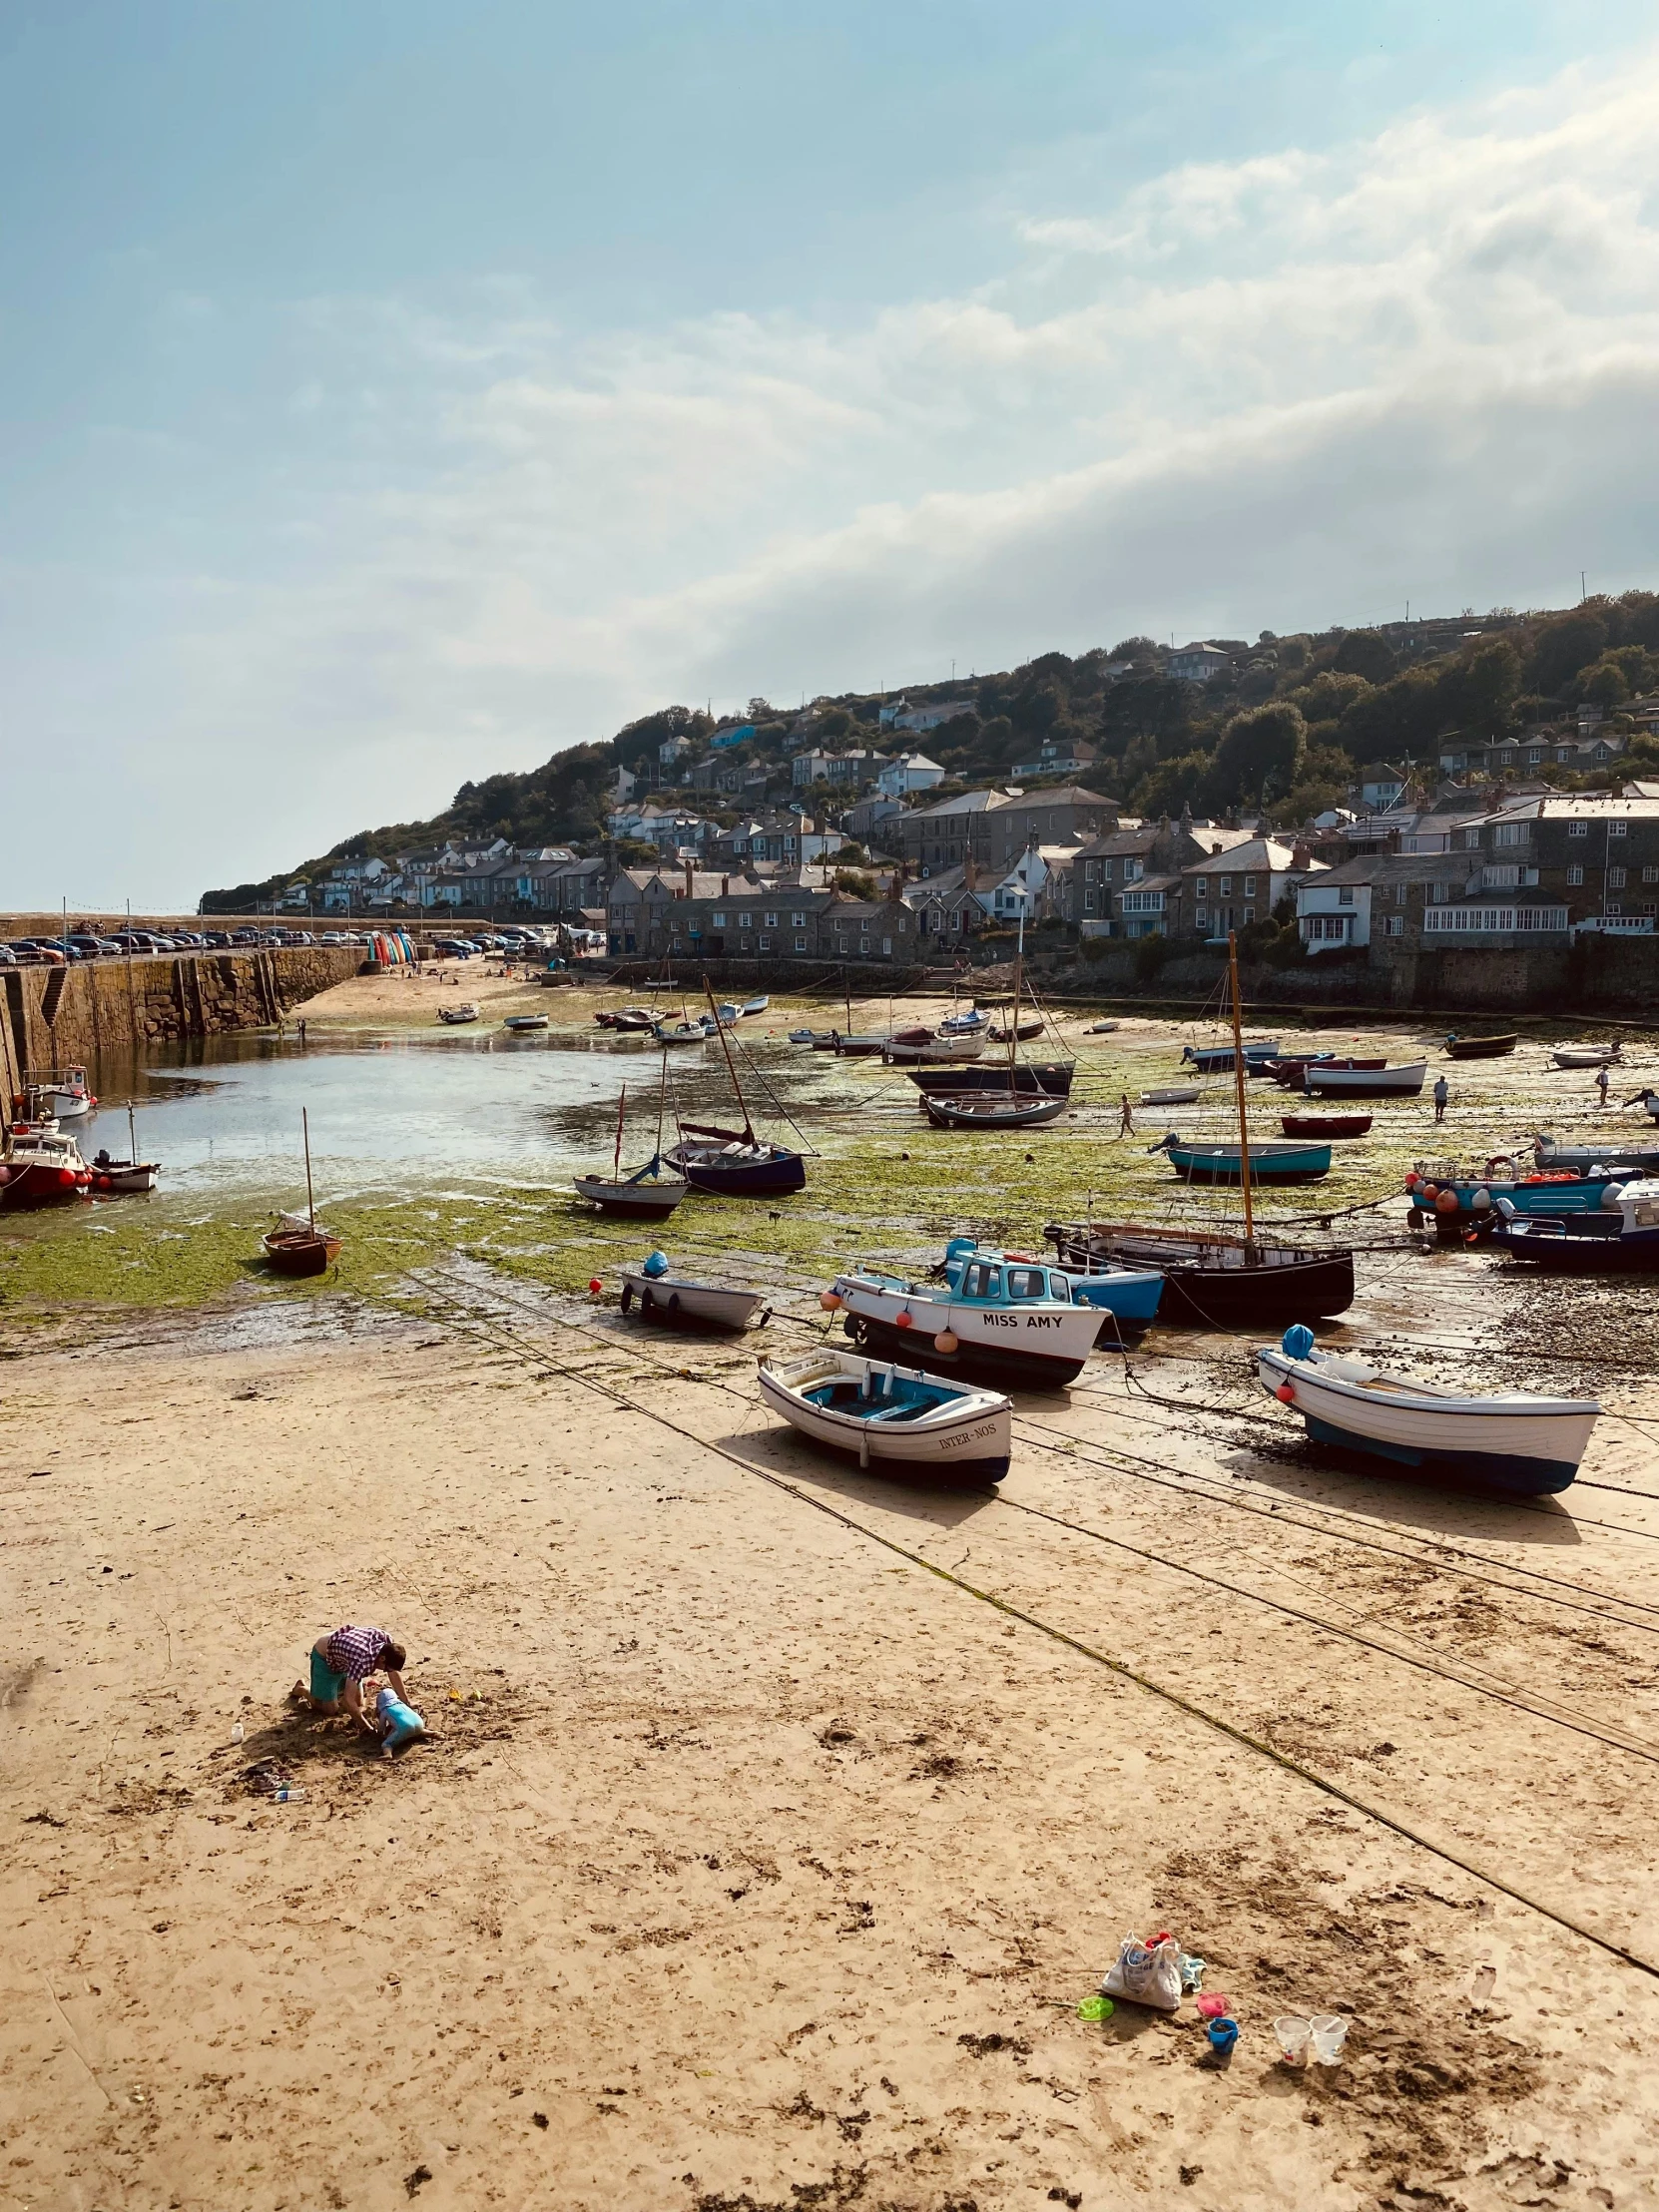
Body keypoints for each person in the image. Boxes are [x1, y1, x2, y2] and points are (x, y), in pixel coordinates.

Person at [292, 1624, 408, 1739]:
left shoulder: (387, 1642)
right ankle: (302, 1689)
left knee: (359, 1704)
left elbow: (393, 1673)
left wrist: (406, 1702)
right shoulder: (361, 1661)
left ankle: (338, 1688)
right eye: (386, 1669)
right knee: (330, 1710)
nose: (385, 1671)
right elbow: (348, 1701)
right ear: (382, 1659)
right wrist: (367, 1728)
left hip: (346, 1659)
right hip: (325, 1657)